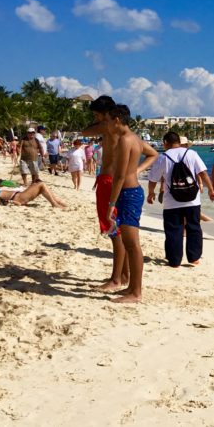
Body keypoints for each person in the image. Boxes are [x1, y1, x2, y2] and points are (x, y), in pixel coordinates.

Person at [106, 104, 158, 304]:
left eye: (109, 121)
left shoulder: (124, 141)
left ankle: (136, 292)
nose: (108, 125)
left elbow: (119, 175)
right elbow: (153, 154)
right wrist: (136, 170)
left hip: (127, 193)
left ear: (117, 120)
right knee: (129, 243)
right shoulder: (135, 138)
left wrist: (112, 202)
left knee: (132, 244)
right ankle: (132, 287)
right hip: (132, 191)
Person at [147, 131, 214, 268]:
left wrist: (151, 193)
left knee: (173, 230)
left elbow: (153, 178)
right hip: (192, 199)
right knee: (194, 227)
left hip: (171, 201)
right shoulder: (191, 154)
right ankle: (194, 257)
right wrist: (211, 190)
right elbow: (202, 173)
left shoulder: (163, 157)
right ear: (179, 141)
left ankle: (174, 260)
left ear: (166, 143)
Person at [81, 96, 128, 292]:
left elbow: (85, 131)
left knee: (114, 231)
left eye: (96, 114)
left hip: (110, 181)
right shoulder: (119, 128)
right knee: (120, 231)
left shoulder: (108, 126)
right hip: (116, 179)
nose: (96, 118)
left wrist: (100, 120)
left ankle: (116, 279)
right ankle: (124, 275)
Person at [0, 181, 67, 208]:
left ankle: (57, 201)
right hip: (19, 197)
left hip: (19, 195)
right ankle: (55, 203)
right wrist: (14, 202)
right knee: (41, 184)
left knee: (36, 185)